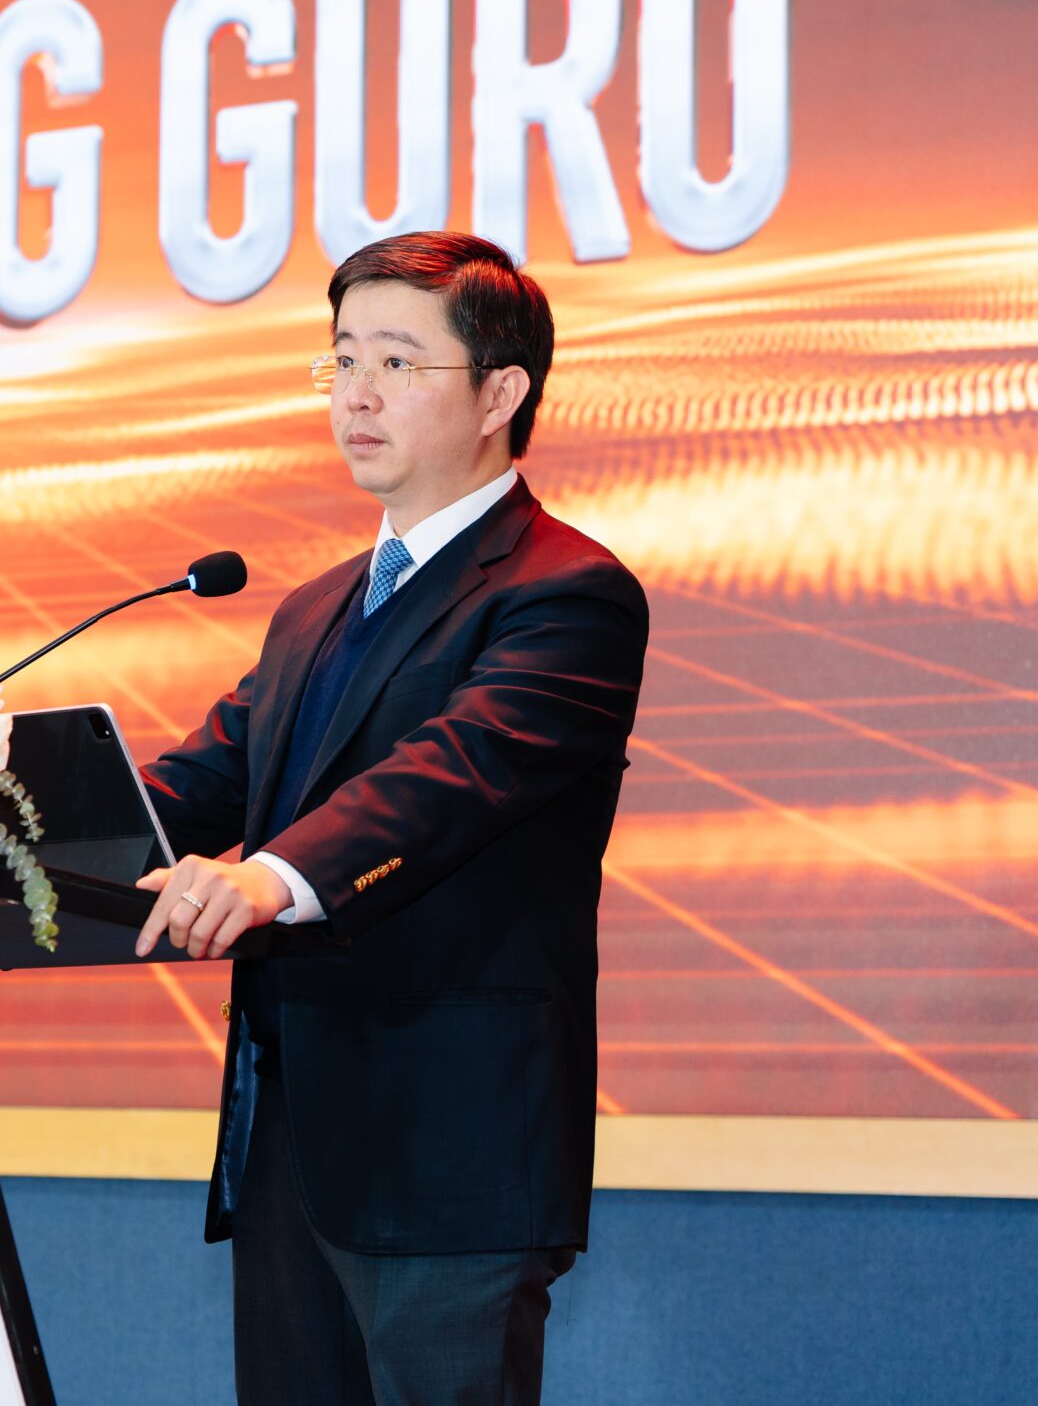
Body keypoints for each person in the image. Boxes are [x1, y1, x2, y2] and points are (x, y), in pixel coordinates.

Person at [134, 231, 650, 1406]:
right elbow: (202, 780)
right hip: (290, 1150)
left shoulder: (565, 593)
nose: (356, 393)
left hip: (449, 1154)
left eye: (398, 363)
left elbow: (449, 774)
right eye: (343, 358)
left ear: (499, 395)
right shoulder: (314, 608)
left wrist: (268, 878)